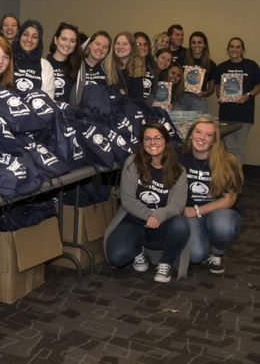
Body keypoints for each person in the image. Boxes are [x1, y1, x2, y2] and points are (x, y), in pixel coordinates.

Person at [104, 122, 190, 283]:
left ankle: (166, 262)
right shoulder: (132, 163)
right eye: (148, 139)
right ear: (142, 143)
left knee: (181, 226)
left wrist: (158, 215)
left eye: (158, 138)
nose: (153, 143)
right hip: (134, 220)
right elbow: (127, 199)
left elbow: (177, 205)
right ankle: (138, 249)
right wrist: (150, 215)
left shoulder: (179, 170)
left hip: (163, 222)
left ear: (166, 141)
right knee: (117, 257)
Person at [180, 118, 243, 274]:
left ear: (215, 140)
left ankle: (217, 251)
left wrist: (197, 211)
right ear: (190, 135)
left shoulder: (227, 161)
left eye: (209, 135)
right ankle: (204, 238)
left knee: (223, 225)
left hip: (219, 211)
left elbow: (230, 199)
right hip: (190, 213)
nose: (202, 138)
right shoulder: (179, 157)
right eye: (198, 132)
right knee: (195, 256)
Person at [215, 37, 260, 165]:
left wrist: (248, 95)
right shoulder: (222, 66)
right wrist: (220, 96)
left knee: (239, 147)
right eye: (232, 47)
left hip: (244, 113)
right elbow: (218, 87)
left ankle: (237, 177)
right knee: (229, 148)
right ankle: (231, 176)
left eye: (238, 47)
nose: (234, 49)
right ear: (228, 49)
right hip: (227, 114)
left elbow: (258, 85)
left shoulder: (251, 65)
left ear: (242, 49)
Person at [11, 19, 55, 98]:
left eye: (34, 37)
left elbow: (49, 100)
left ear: (39, 41)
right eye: (25, 34)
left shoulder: (46, 66)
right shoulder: (7, 59)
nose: (29, 39)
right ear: (19, 36)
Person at [178, 31, 217, 113]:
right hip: (181, 98)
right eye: (193, 43)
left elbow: (212, 87)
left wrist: (205, 93)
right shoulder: (182, 60)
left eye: (199, 42)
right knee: (177, 124)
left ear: (204, 45)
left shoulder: (211, 64)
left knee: (198, 125)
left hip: (198, 99)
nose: (196, 45)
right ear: (190, 45)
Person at [72, 30, 111, 105]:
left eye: (105, 47)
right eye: (97, 44)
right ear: (89, 45)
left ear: (108, 51)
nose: (100, 48)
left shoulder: (110, 70)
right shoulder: (75, 65)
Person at [47, 22, 81, 102]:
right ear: (56, 40)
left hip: (68, 112)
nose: (68, 44)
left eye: (72, 41)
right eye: (64, 39)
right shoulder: (43, 63)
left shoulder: (78, 67)